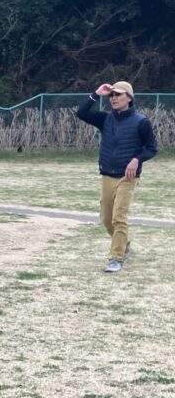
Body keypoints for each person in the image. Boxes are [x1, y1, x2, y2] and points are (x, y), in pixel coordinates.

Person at [76, 81, 157, 273]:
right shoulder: (106, 119)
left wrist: (137, 159)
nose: (113, 98)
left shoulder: (141, 122)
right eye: (111, 95)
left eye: (118, 94)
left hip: (128, 177)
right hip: (107, 174)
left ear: (129, 98)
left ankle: (116, 258)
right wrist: (96, 94)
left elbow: (151, 148)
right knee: (106, 219)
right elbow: (82, 113)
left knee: (119, 217)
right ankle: (123, 244)